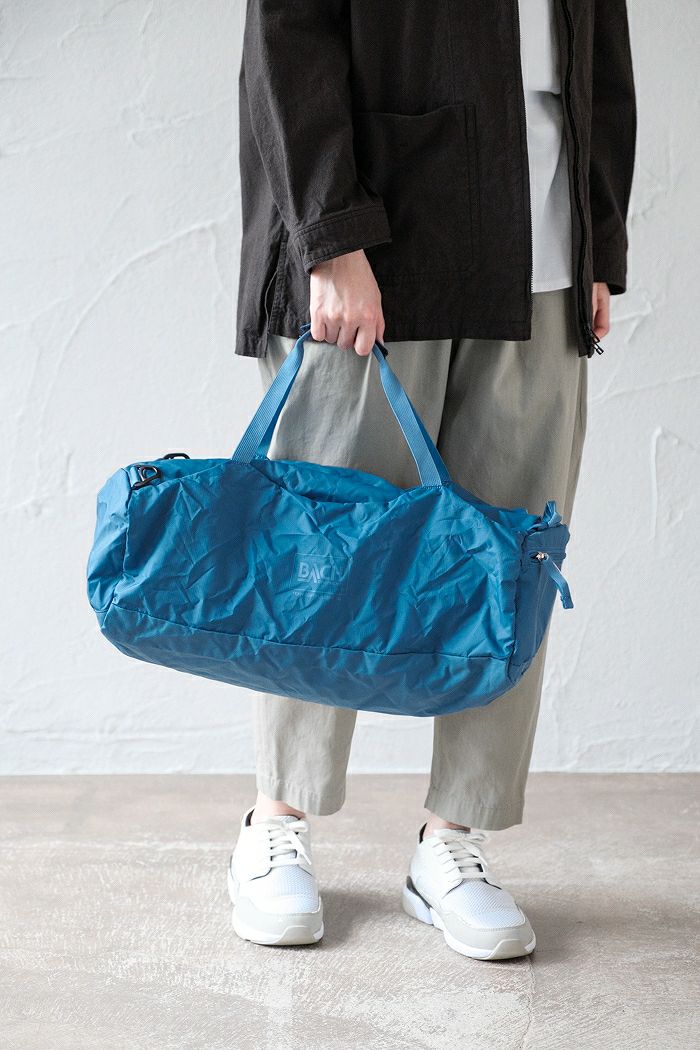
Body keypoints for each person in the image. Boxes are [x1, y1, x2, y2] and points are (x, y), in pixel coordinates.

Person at [228, 0, 636, 959]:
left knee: (510, 558)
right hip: (375, 240)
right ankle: (277, 819)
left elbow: (600, 52)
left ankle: (455, 837)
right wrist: (328, 233)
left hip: (541, 252)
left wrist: (597, 235)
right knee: (322, 549)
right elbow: (287, 31)